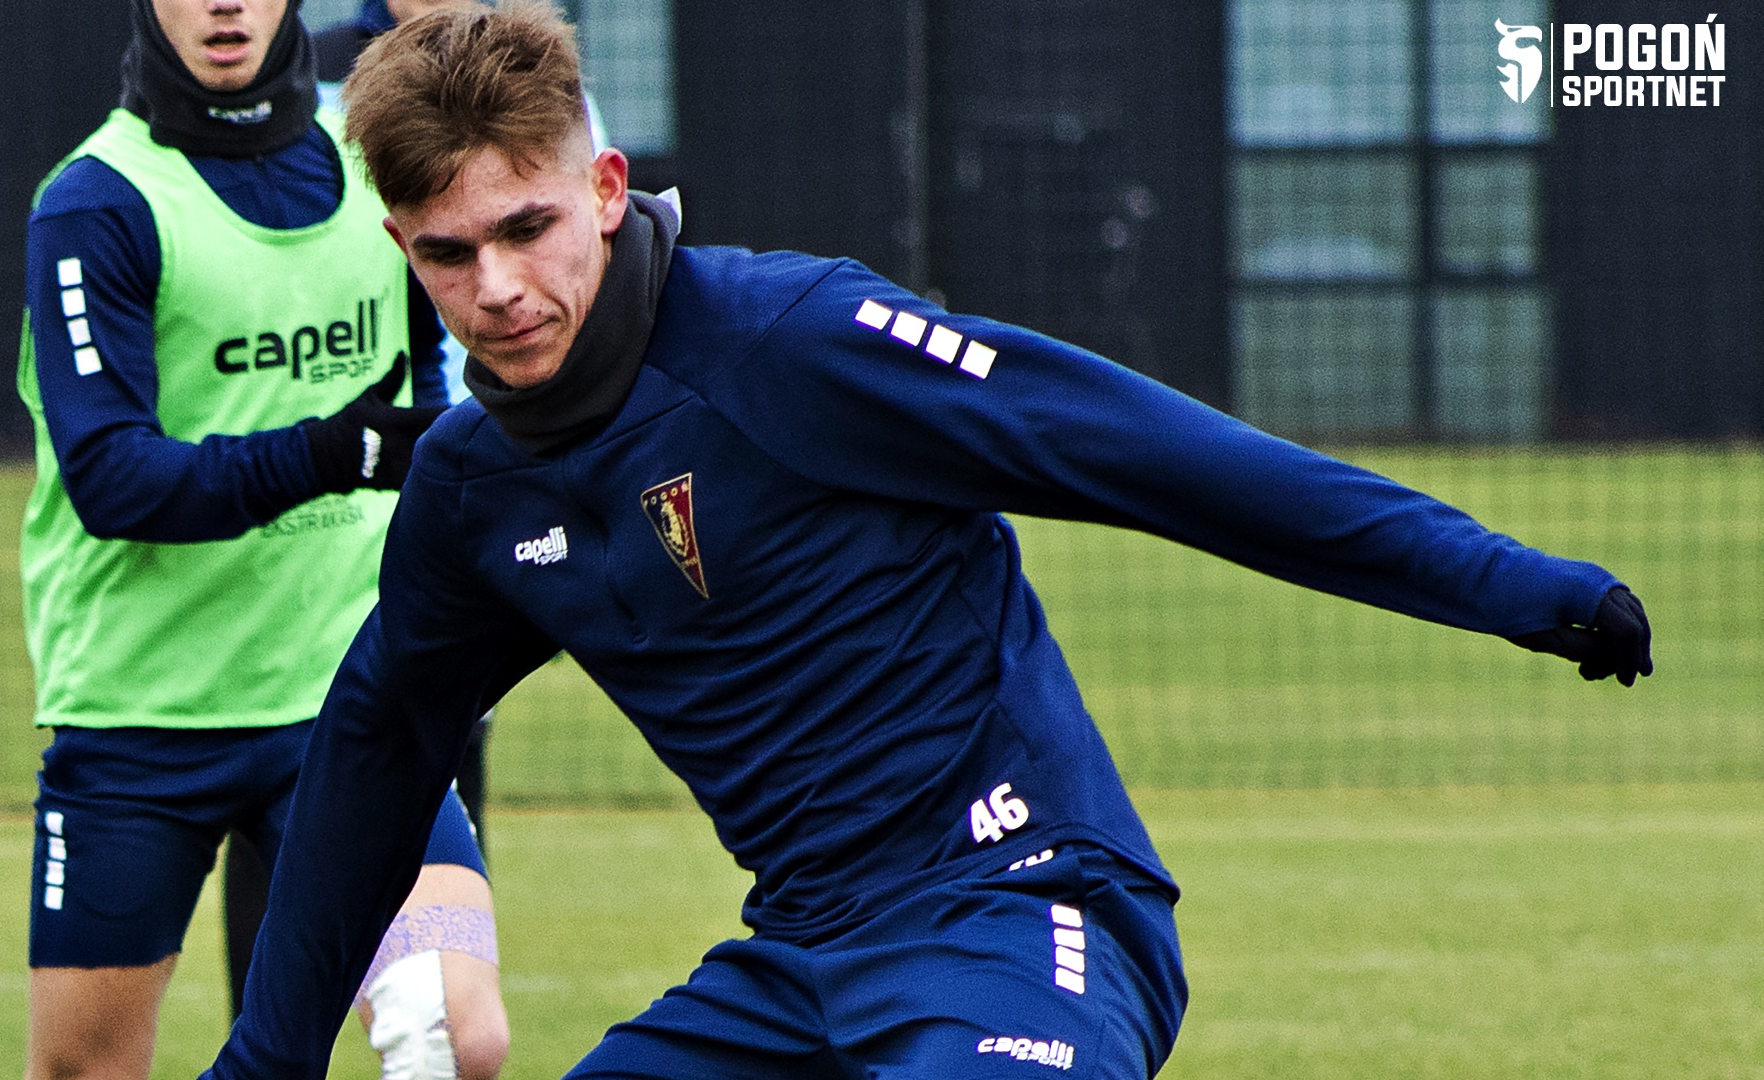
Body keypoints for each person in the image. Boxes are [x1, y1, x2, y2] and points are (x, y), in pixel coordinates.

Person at [202, 4, 1655, 1078]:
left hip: (1021, 909)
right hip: (799, 965)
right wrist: (261, 1061)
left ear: (604, 186)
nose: (499, 288)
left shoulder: (789, 341)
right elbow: (373, 752)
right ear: (401, 247)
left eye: (527, 229)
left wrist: (1512, 584)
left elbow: (1165, 458)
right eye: (451, 253)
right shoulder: (473, 491)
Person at [16, 1, 510, 1077]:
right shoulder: (96, 201)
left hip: (348, 701)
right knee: (82, 1069)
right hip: (141, 719)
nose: (225, 3)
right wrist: (335, 452)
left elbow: (429, 399)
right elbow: (111, 480)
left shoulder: (376, 162)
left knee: (455, 1032)